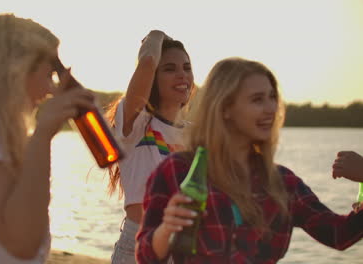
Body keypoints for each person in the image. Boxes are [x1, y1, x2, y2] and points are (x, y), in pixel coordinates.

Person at [136, 57, 363, 263]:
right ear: (225, 108)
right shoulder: (178, 170)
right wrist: (167, 229)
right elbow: (146, 256)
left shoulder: (283, 182)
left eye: (272, 98)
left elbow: (339, 235)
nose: (270, 109)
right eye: (257, 100)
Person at [0, 13, 95, 263]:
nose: (50, 90)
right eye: (47, 75)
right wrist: (42, 135)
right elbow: (21, 242)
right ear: (17, 70)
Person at [106, 30, 195, 263]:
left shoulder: (197, 136)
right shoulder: (136, 125)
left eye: (186, 67)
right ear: (153, 78)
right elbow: (146, 63)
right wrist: (156, 36)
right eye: (169, 69)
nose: (181, 75)